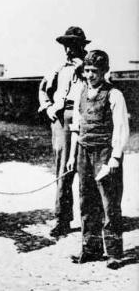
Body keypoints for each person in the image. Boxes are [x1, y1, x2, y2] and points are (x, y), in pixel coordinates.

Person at [66, 50, 129, 269]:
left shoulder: (114, 94)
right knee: (86, 201)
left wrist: (115, 158)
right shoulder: (80, 92)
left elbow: (121, 128)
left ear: (104, 71)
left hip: (104, 153)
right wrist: (72, 156)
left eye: (95, 71)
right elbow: (76, 125)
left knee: (109, 203)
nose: (90, 75)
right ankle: (90, 250)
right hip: (84, 152)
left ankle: (114, 254)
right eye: (87, 70)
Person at [38, 26, 89, 237]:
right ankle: (62, 219)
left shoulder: (91, 67)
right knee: (63, 169)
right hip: (61, 120)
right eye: (66, 46)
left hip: (85, 119)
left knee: (87, 171)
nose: (69, 50)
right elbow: (43, 89)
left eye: (74, 45)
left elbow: (105, 87)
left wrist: (84, 69)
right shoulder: (58, 68)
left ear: (82, 46)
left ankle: (92, 220)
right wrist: (48, 107)